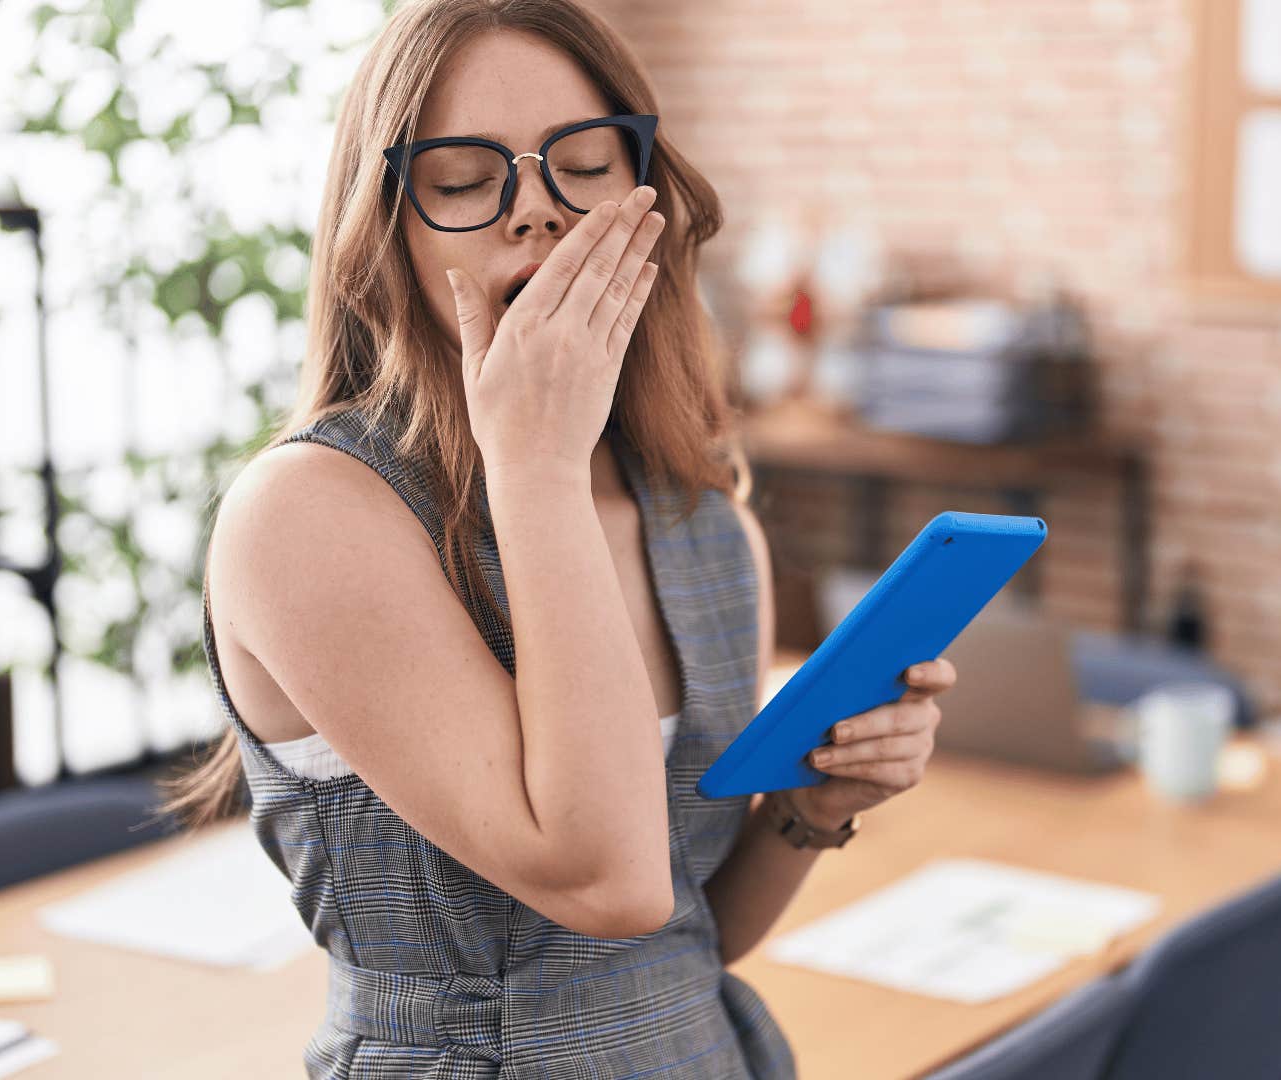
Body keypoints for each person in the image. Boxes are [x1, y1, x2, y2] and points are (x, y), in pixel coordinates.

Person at [161, 1, 958, 1075]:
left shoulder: (707, 524)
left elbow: (676, 938)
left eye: (583, 165)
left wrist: (811, 809)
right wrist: (533, 468)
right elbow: (604, 880)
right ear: (384, 227)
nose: (536, 213)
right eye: (462, 179)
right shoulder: (307, 514)